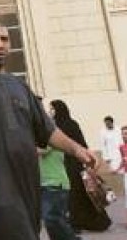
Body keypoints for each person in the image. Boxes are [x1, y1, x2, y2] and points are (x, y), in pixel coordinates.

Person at [0, 21, 98, 240]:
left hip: (28, 190)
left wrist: (78, 150)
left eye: (4, 39)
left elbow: (47, 131)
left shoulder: (19, 86)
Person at [51, 99, 111, 232]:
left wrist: (89, 160)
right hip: (65, 163)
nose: (51, 111)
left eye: (52, 108)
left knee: (78, 193)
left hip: (73, 163)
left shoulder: (68, 124)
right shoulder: (55, 126)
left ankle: (83, 223)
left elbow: (81, 143)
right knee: (77, 194)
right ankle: (83, 222)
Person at [39, 99, 79, 240]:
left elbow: (41, 150)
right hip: (44, 182)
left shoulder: (49, 131)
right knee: (51, 221)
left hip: (55, 182)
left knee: (53, 219)